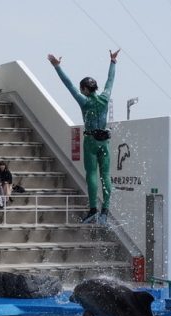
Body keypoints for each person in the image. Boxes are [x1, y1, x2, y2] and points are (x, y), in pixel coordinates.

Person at [48, 49, 119, 225]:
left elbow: (68, 84)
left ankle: (93, 209)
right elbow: (110, 81)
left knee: (92, 175)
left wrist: (57, 67)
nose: (80, 90)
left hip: (90, 142)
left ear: (86, 89)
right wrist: (113, 62)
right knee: (106, 175)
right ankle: (106, 210)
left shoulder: (84, 102)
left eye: (82, 88)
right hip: (104, 141)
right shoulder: (104, 98)